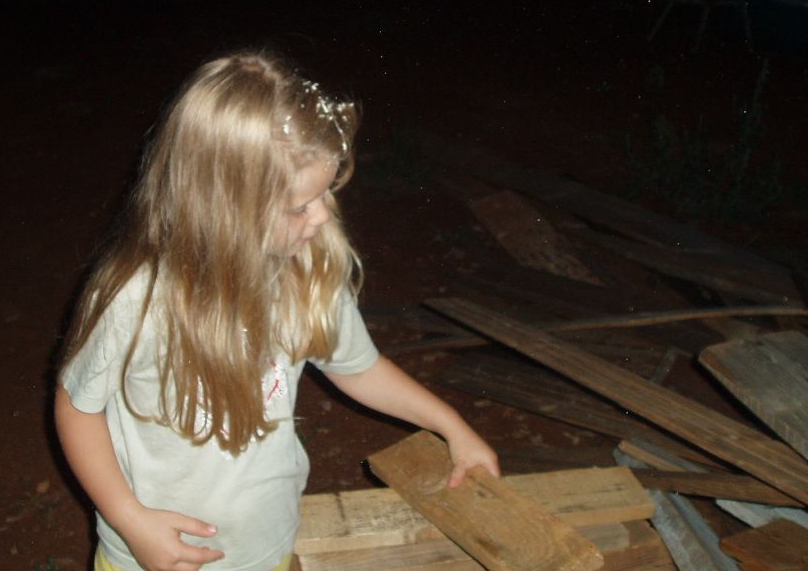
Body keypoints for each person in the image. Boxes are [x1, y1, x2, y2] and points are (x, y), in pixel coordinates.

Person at [55, 52, 500, 571]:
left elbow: (358, 369)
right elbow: (77, 408)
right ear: (224, 210)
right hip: (154, 557)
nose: (323, 215)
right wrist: (129, 519)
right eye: (299, 206)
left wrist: (452, 426)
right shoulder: (138, 300)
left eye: (326, 193)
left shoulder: (304, 272)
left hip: (267, 545)